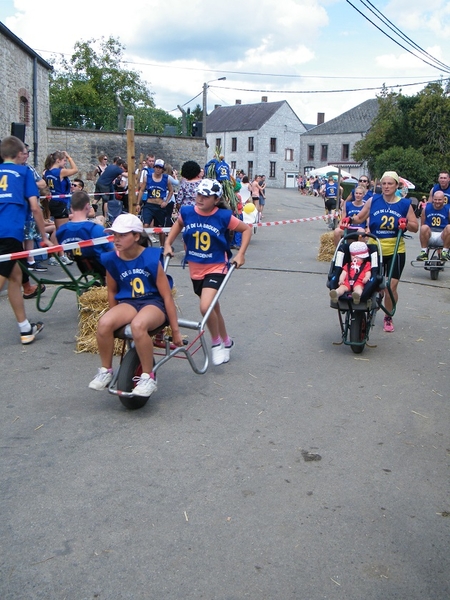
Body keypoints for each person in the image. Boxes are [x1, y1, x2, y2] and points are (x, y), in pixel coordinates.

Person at [88, 213, 182, 396]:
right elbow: (112, 292)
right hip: (129, 302)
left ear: (136, 236)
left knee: (138, 325)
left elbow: (166, 296)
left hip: (153, 303)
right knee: (104, 323)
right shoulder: (111, 259)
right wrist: (115, 319)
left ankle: (148, 376)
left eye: (122, 235)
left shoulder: (151, 258)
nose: (117, 239)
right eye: (115, 235)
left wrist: (175, 331)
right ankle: (106, 370)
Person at [163, 178, 252, 366]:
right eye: (199, 194)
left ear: (216, 199)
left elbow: (246, 230)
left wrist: (241, 254)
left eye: (206, 196)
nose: (201, 198)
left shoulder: (223, 216)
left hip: (216, 266)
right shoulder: (187, 212)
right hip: (196, 268)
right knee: (214, 308)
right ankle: (227, 341)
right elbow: (178, 225)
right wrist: (167, 243)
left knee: (206, 307)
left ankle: (216, 343)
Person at [346, 171, 418, 332]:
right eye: (383, 184)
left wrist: (405, 223)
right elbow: (359, 218)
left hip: (395, 248)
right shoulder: (373, 200)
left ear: (397, 185)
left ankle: (388, 316)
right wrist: (348, 219)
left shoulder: (405, 204)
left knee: (390, 287)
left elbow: (415, 227)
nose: (386, 187)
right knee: (369, 281)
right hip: (374, 246)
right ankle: (369, 304)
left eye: (390, 183)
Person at [0, 136, 53, 344]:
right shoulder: (24, 173)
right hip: (9, 231)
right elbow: (35, 207)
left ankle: (25, 329)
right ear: (18, 153)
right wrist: (44, 237)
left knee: (15, 278)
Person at [56, 190, 114, 278]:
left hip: (83, 266)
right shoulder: (96, 229)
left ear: (71, 208)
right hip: (103, 267)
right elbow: (113, 249)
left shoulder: (61, 230)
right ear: (87, 206)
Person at [137, 159, 173, 246]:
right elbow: (141, 190)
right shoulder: (148, 177)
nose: (158, 169)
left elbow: (171, 191)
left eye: (160, 168)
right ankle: (143, 245)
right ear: (154, 168)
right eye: (156, 167)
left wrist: (166, 202)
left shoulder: (166, 179)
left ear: (163, 169)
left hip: (160, 206)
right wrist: (138, 203)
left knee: (161, 229)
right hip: (149, 204)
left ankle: (162, 247)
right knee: (145, 225)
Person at [43, 150, 78, 231]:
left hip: (54, 201)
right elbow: (75, 169)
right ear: (58, 160)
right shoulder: (60, 172)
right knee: (63, 230)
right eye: (64, 161)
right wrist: (69, 157)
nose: (65, 163)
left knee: (57, 229)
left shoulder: (47, 172)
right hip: (61, 202)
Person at [416, 190, 450, 261]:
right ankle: (424, 252)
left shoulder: (448, 209)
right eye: (435, 199)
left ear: (444, 200)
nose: (437, 202)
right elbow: (422, 223)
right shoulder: (426, 209)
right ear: (433, 199)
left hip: (442, 235)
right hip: (430, 234)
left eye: (439, 200)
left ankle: (445, 252)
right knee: (423, 227)